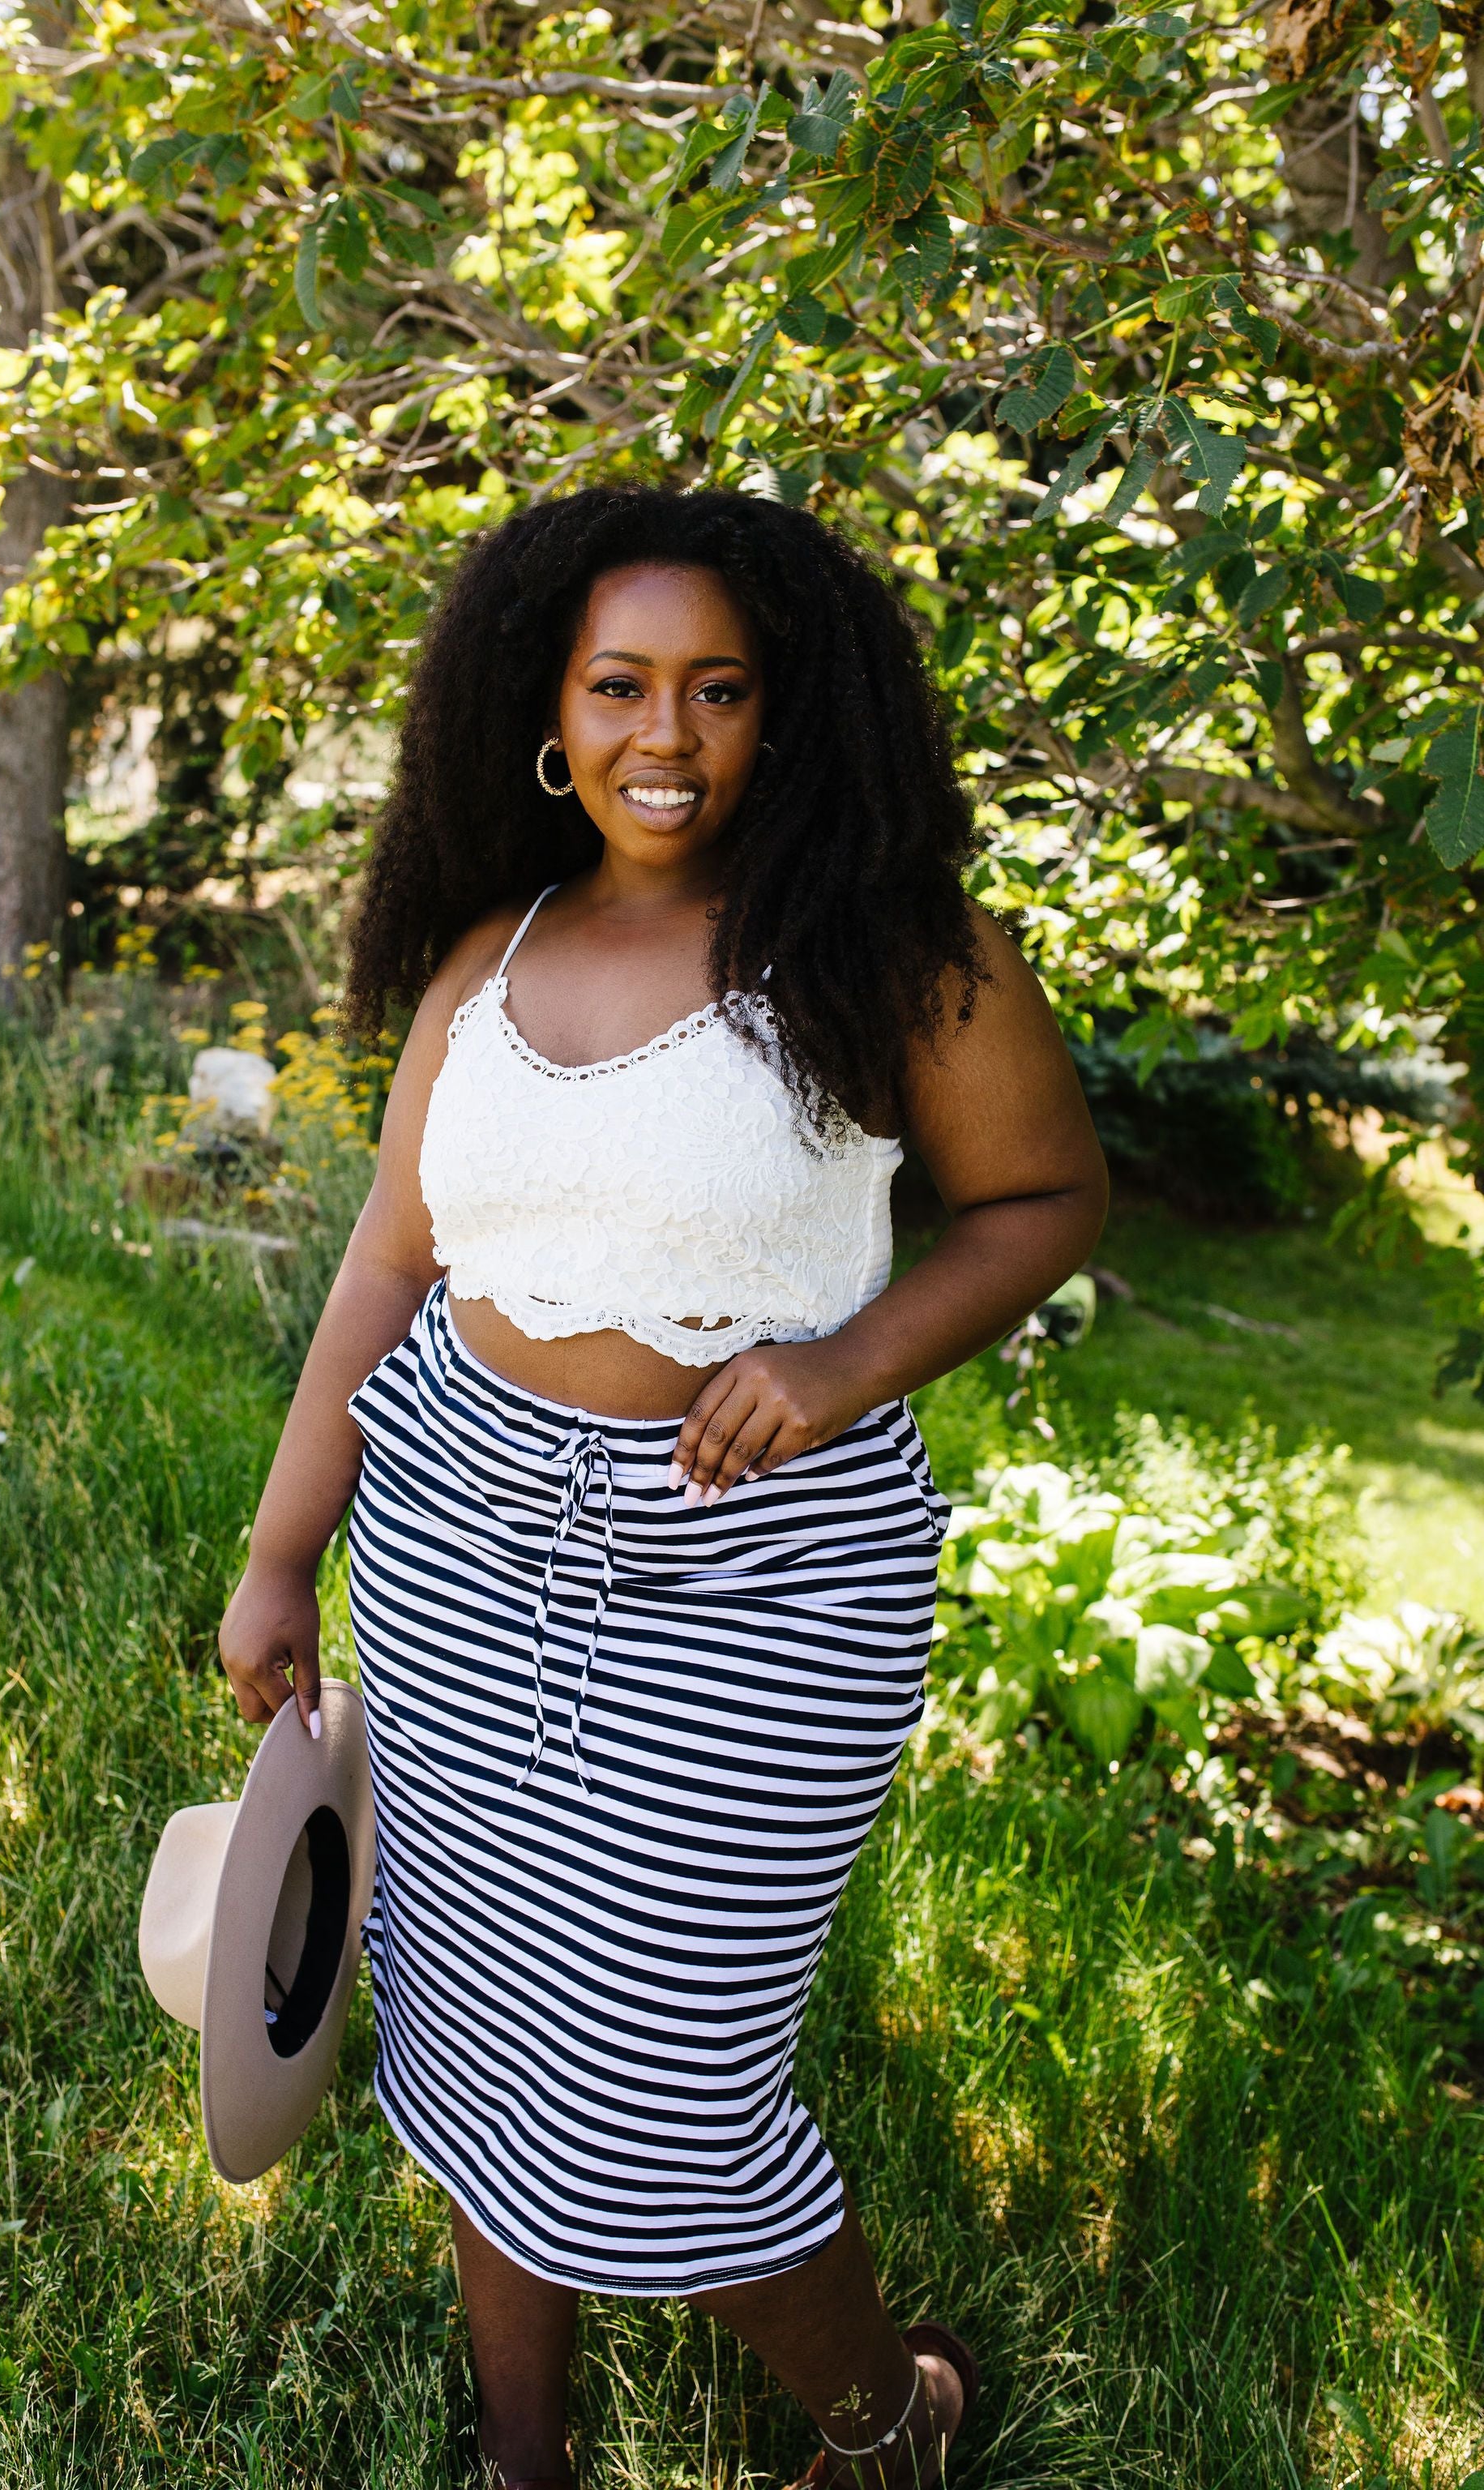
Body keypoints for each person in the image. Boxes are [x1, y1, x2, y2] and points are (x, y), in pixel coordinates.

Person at [218, 486, 1107, 2486]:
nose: (665, 735)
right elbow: (387, 1266)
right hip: (456, 1530)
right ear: (545, 705)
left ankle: (893, 2428)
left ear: (783, 713)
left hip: (760, 1565)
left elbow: (1046, 1198)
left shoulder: (886, 951)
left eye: (716, 688)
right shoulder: (489, 958)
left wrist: (833, 1360)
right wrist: (289, 1552)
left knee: (666, 2091)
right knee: (462, 2026)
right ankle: (525, 2462)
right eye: (619, 683)